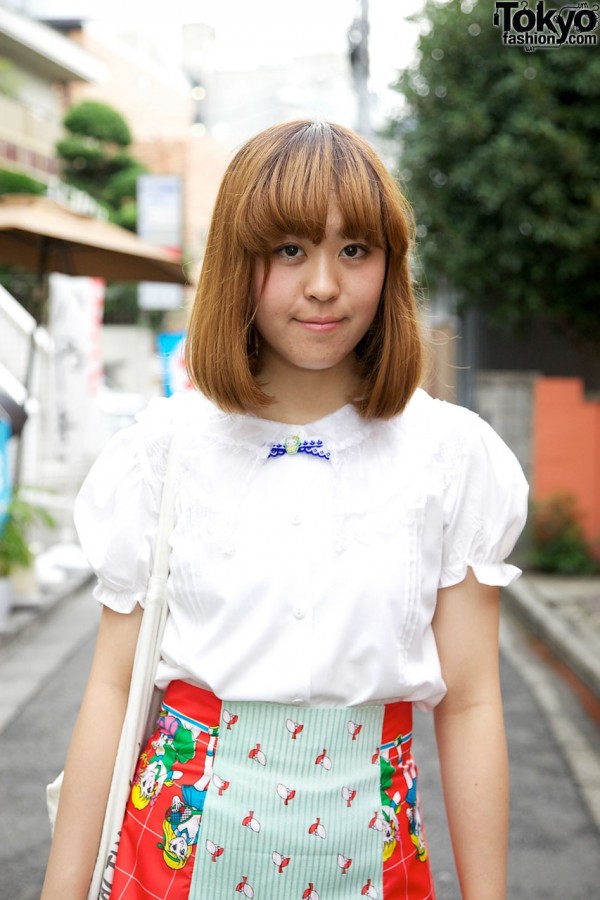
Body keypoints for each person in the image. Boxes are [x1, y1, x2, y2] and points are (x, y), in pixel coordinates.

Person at [41, 119, 528, 900]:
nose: (325, 285)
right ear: (239, 264)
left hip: (373, 863)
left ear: (390, 265)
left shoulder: (451, 455)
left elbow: (471, 702)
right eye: (291, 250)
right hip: (172, 860)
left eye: (355, 251)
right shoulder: (164, 448)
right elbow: (110, 687)